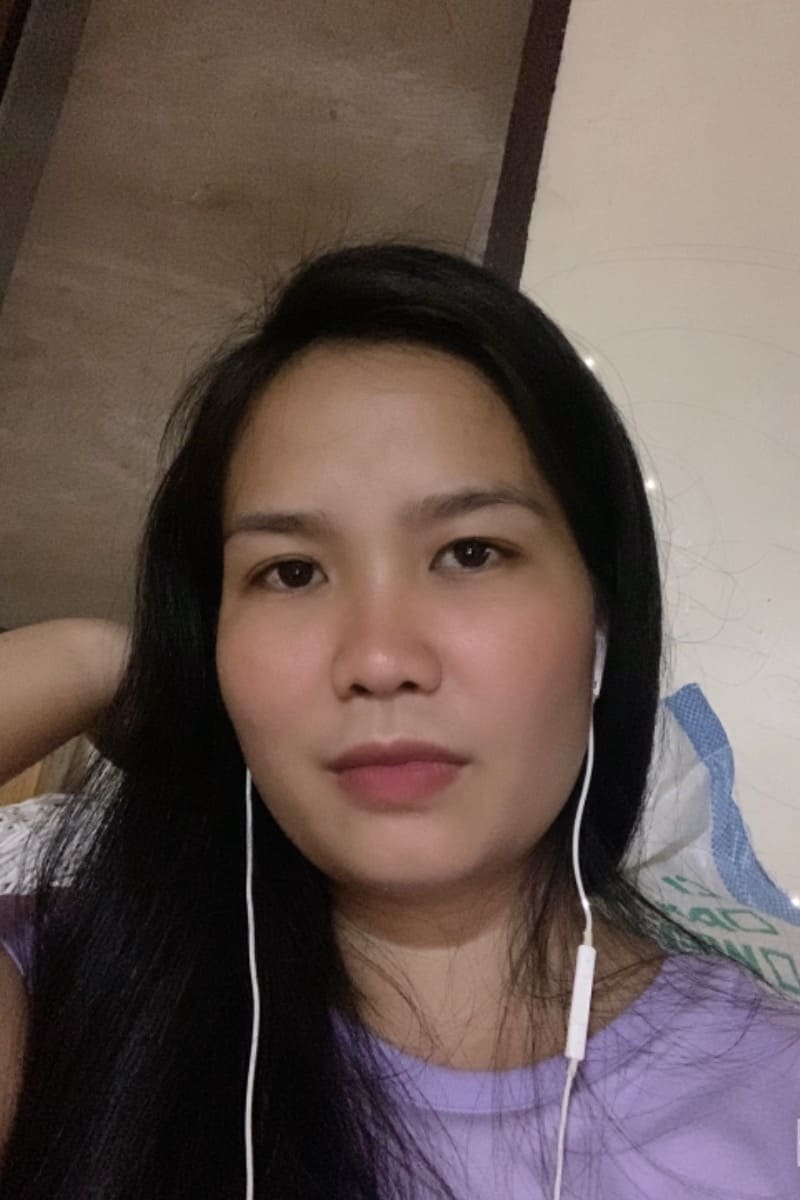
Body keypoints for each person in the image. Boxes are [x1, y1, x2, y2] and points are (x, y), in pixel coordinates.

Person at [0, 242, 798, 1200]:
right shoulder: (76, 999)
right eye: (290, 572)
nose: (379, 659)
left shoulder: (774, 1100)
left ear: (603, 620)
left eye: (470, 553)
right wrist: (100, 661)